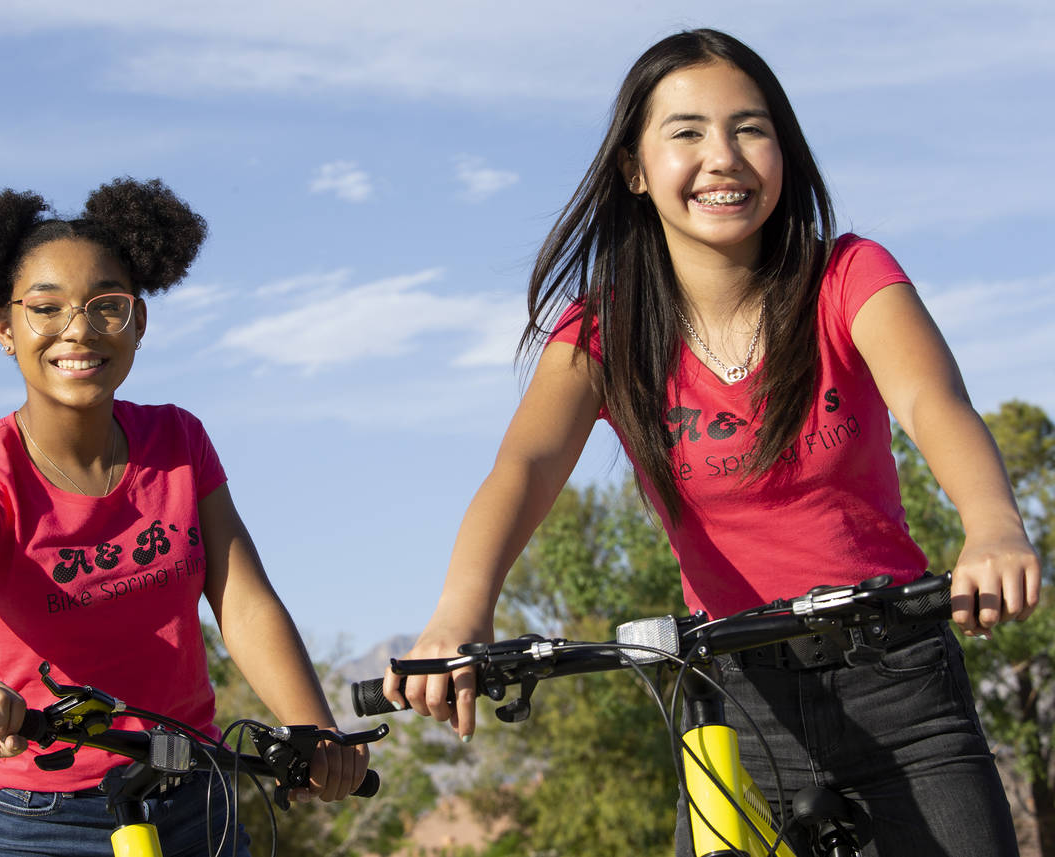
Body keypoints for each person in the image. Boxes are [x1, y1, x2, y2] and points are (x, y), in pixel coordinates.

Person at [383, 28, 1041, 856]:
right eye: (687, 132)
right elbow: (524, 466)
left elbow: (933, 400)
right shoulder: (605, 332)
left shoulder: (849, 275)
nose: (722, 156)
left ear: (784, 150)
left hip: (898, 674)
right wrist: (460, 610)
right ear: (634, 167)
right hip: (732, 694)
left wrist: (993, 524)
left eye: (750, 128)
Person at [0, 178, 368, 857]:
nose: (78, 329)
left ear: (139, 322)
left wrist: (315, 729)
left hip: (193, 800)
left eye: (107, 306)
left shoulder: (178, 442)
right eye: (46, 308)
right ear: (6, 328)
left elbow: (242, 600)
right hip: (40, 821)